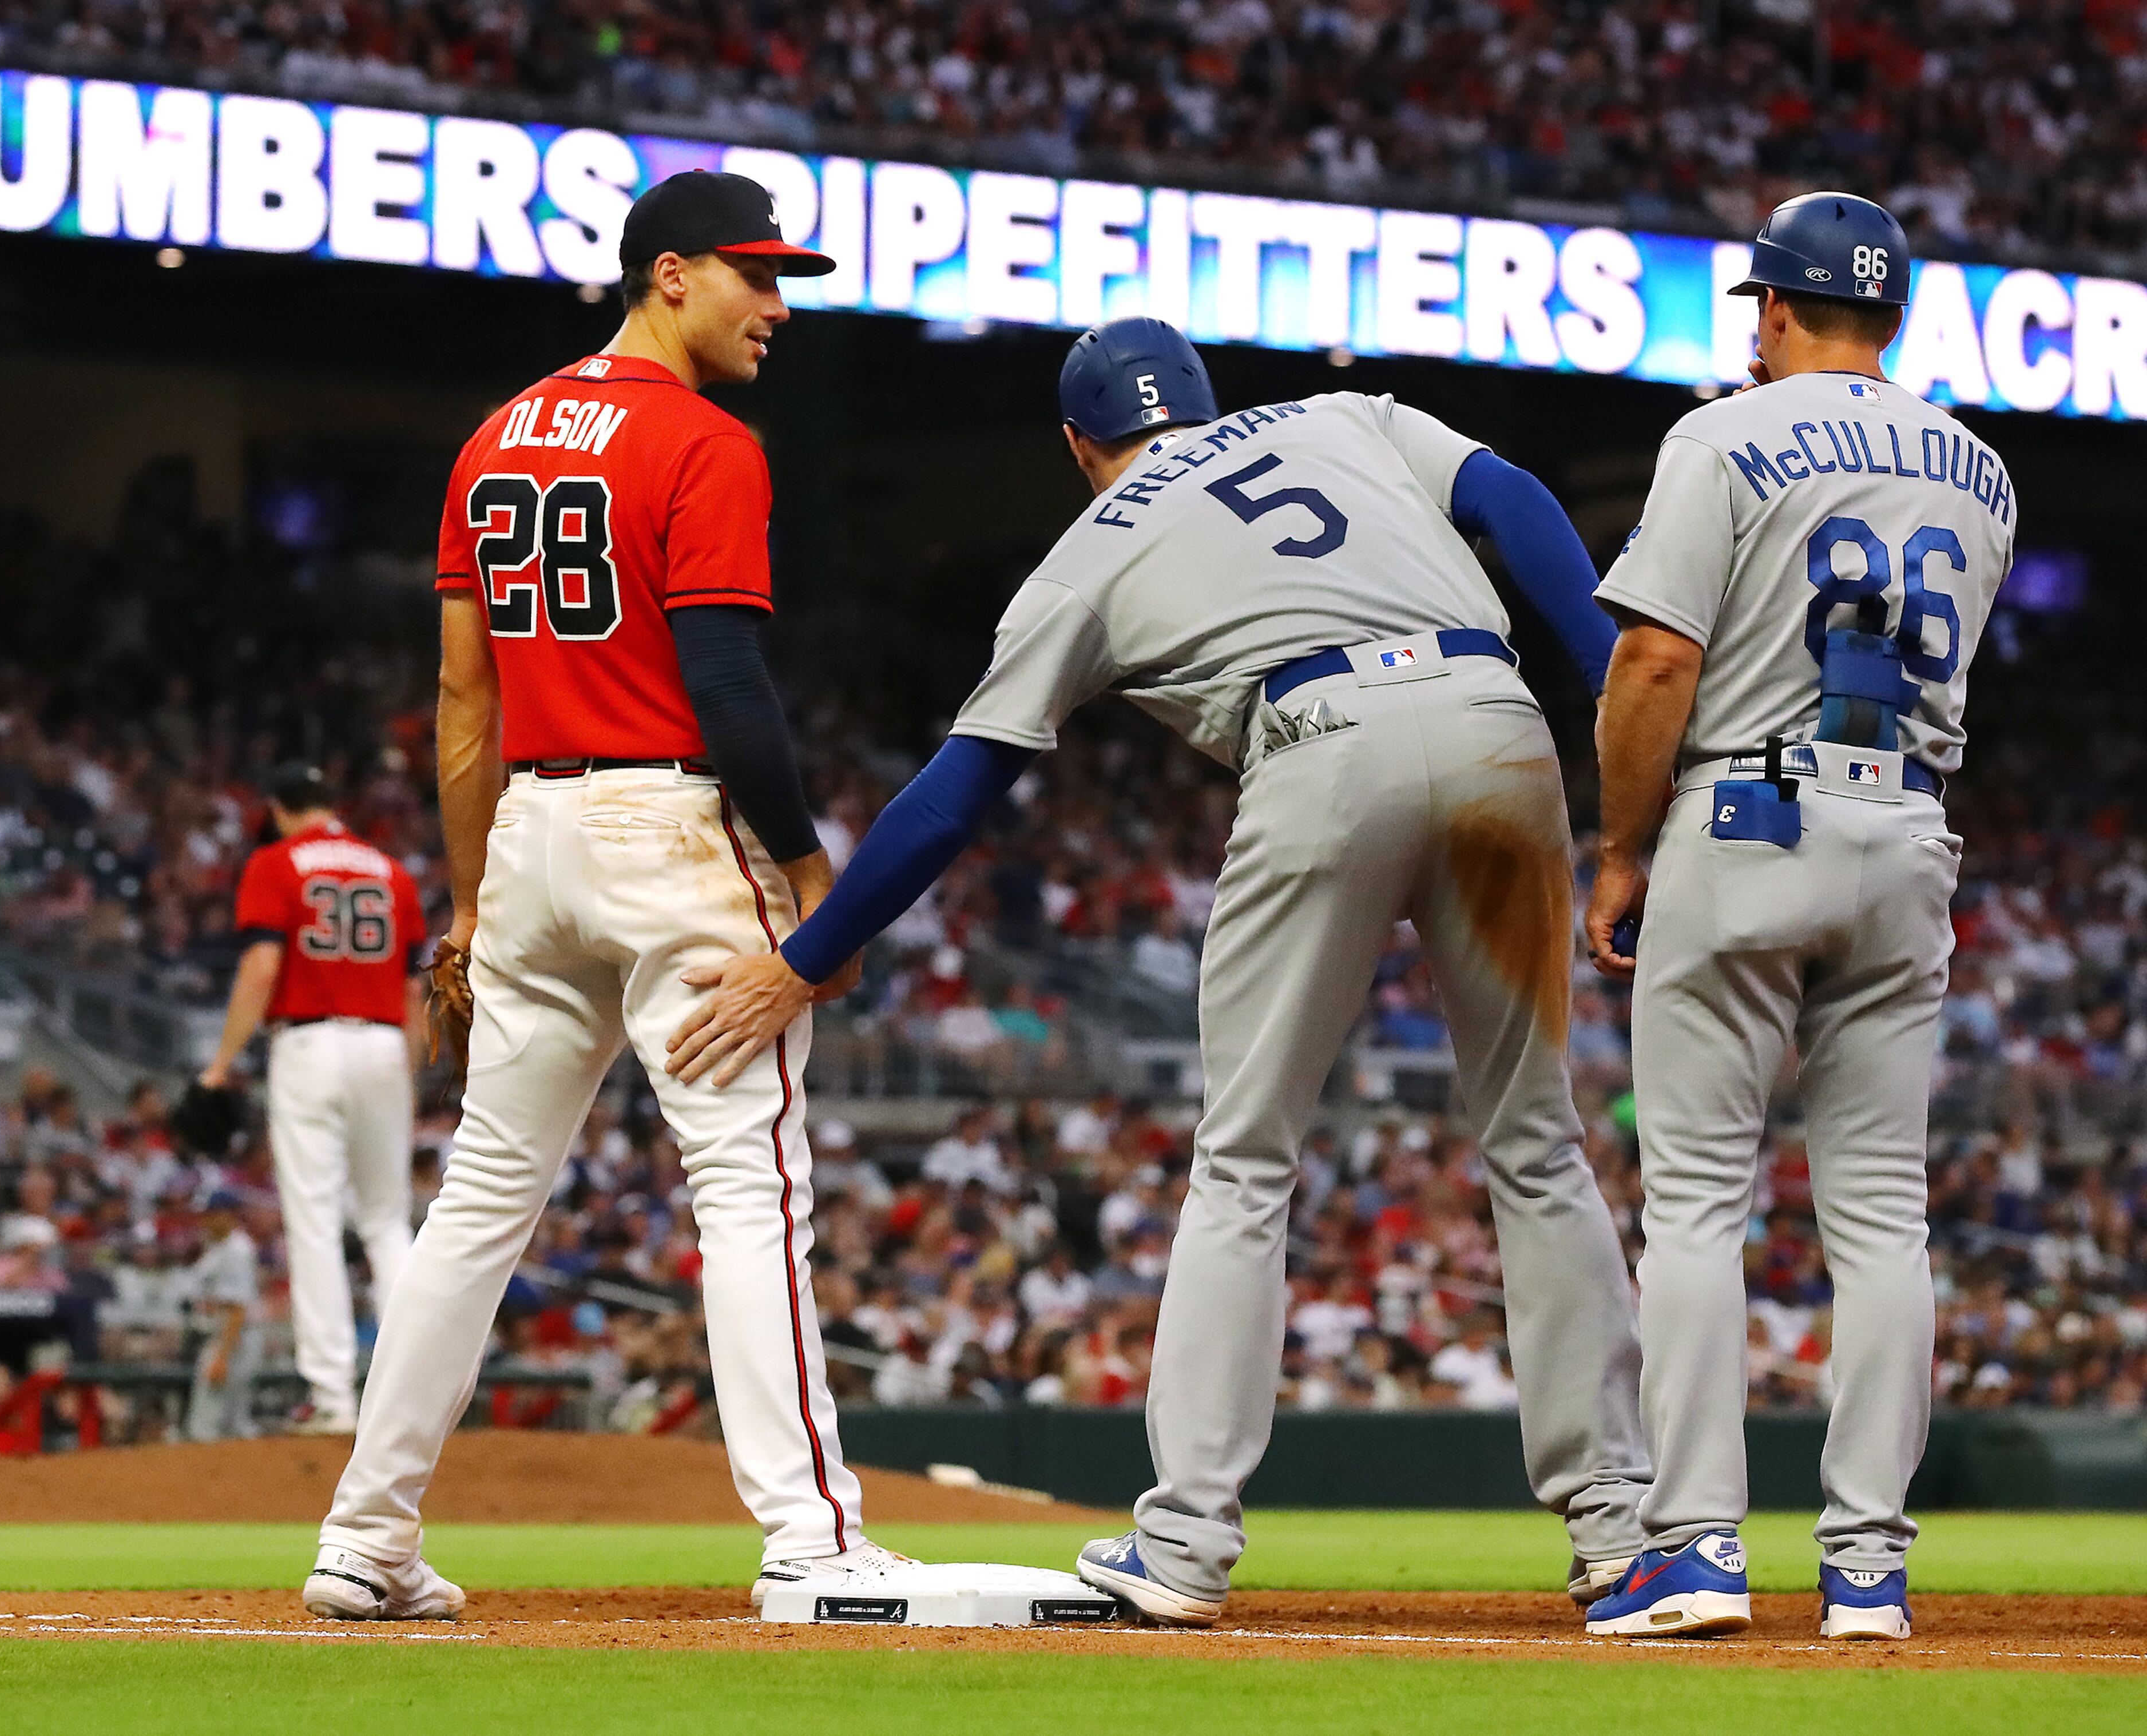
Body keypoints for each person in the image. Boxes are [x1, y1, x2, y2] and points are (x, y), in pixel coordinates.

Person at [671, 315, 1654, 1624]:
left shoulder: (1087, 551)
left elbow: (954, 795)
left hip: (1317, 740)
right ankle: (1618, 1529)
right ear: (1201, 399)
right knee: (1535, 1144)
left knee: (1245, 1158)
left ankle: (1185, 1538)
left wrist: (806, 955)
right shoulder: (1340, 414)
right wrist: (1611, 712)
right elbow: (1516, 500)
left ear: (1081, 442)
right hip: (1494, 722)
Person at [304, 171, 947, 1625]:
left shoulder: (495, 433)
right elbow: (725, 680)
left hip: (529, 826)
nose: (776, 307)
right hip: (665, 827)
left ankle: (366, 1532)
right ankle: (808, 1535)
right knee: (747, 1183)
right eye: (754, 277)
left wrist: (470, 901)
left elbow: (462, 697)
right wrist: (802, 863)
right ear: (670, 275)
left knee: (475, 1199)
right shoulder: (700, 440)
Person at [1581, 193, 2015, 1642]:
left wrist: (1617, 847)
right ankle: (1868, 1573)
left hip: (1745, 812)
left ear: (1772, 309)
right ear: (1885, 315)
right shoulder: (1982, 467)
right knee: (1882, 1216)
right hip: (1904, 826)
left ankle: (1695, 1548)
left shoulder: (1719, 433)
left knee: (1699, 1203)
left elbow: (1651, 662)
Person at [200, 762, 424, 1435]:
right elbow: (415, 989)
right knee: (388, 1222)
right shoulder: (393, 870)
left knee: (316, 1220)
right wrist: (406, 1073)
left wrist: (219, 1065)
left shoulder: (276, 862)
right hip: (385, 1043)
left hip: (308, 1043)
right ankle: (414, 1395)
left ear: (277, 807)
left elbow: (263, 964)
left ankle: (332, 1398)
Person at [182, 1187, 262, 1443]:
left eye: (211, 1214)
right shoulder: (219, 1246)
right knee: (230, 1422)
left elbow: (237, 1308)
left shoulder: (237, 1250)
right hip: (226, 1337)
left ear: (228, 1215)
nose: (204, 1219)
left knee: (209, 1423)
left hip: (232, 1339)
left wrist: (222, 1357)